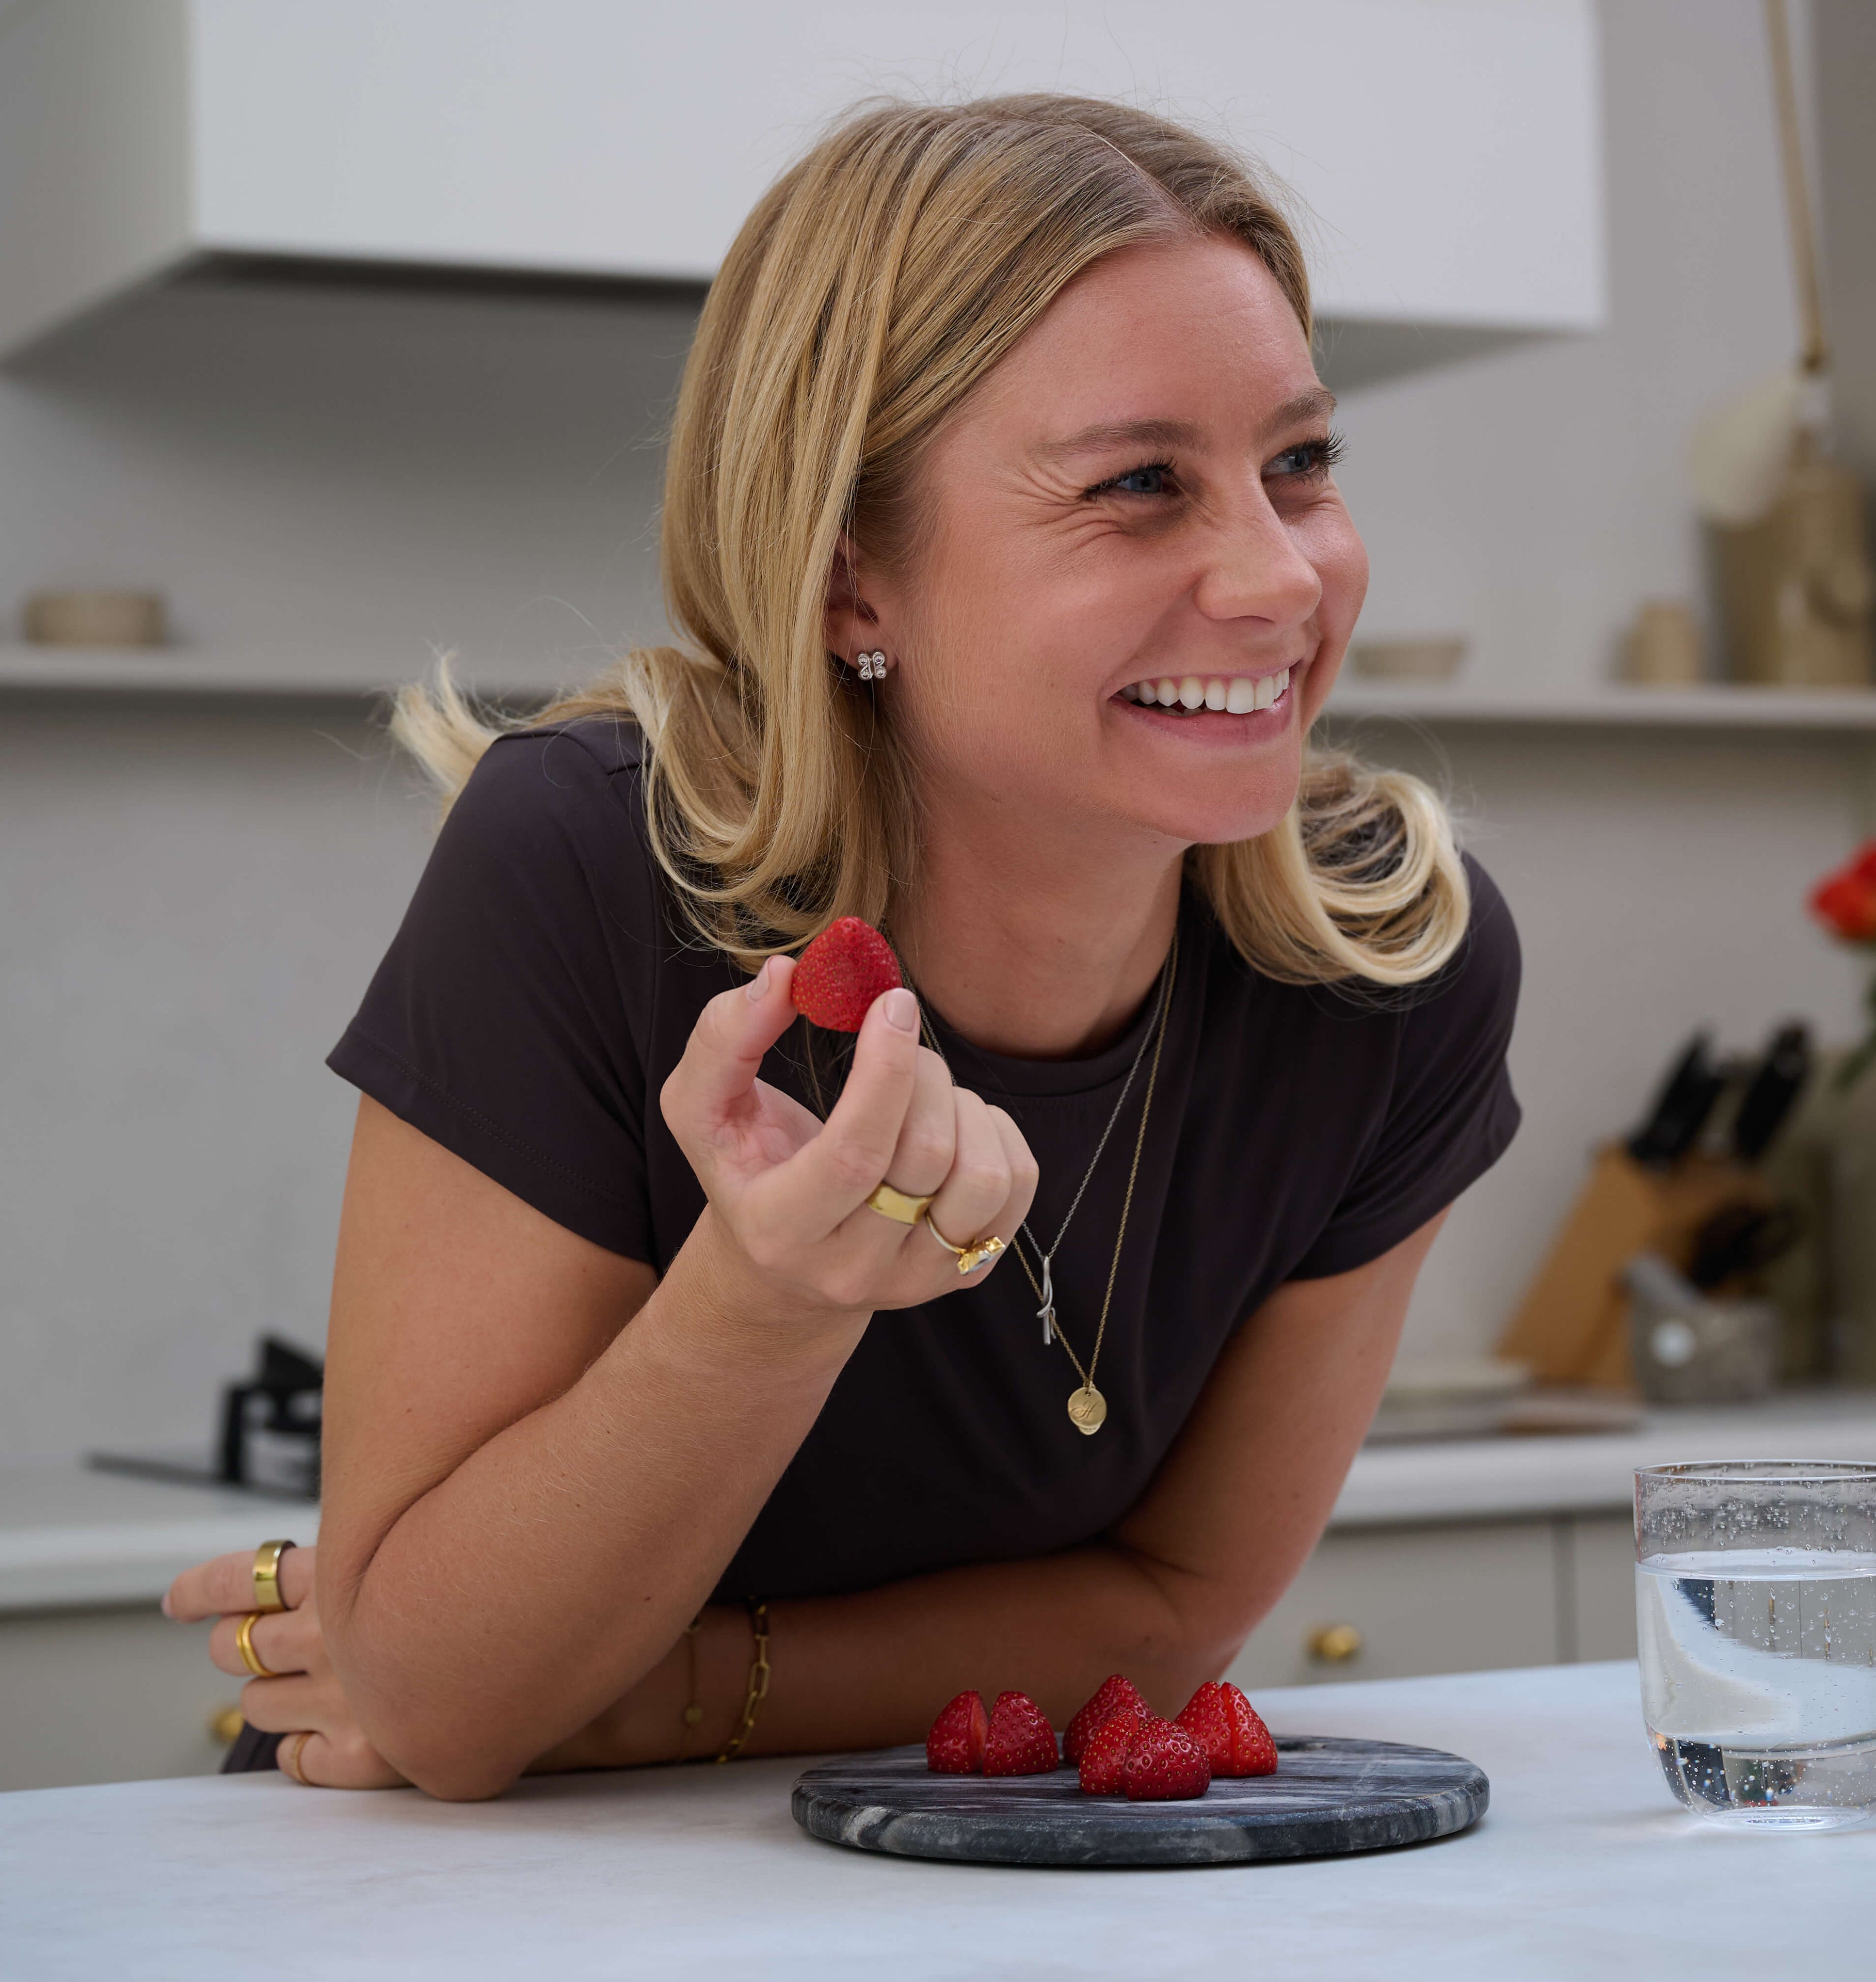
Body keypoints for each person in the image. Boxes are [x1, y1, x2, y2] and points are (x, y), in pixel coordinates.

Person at [164, 94, 1519, 1800]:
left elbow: (1176, 1615)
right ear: (846, 581)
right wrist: (761, 1307)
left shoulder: (1395, 966)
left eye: (1300, 463)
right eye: (1138, 487)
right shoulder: (585, 862)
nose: (1277, 580)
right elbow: (438, 1712)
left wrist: (631, 1697)